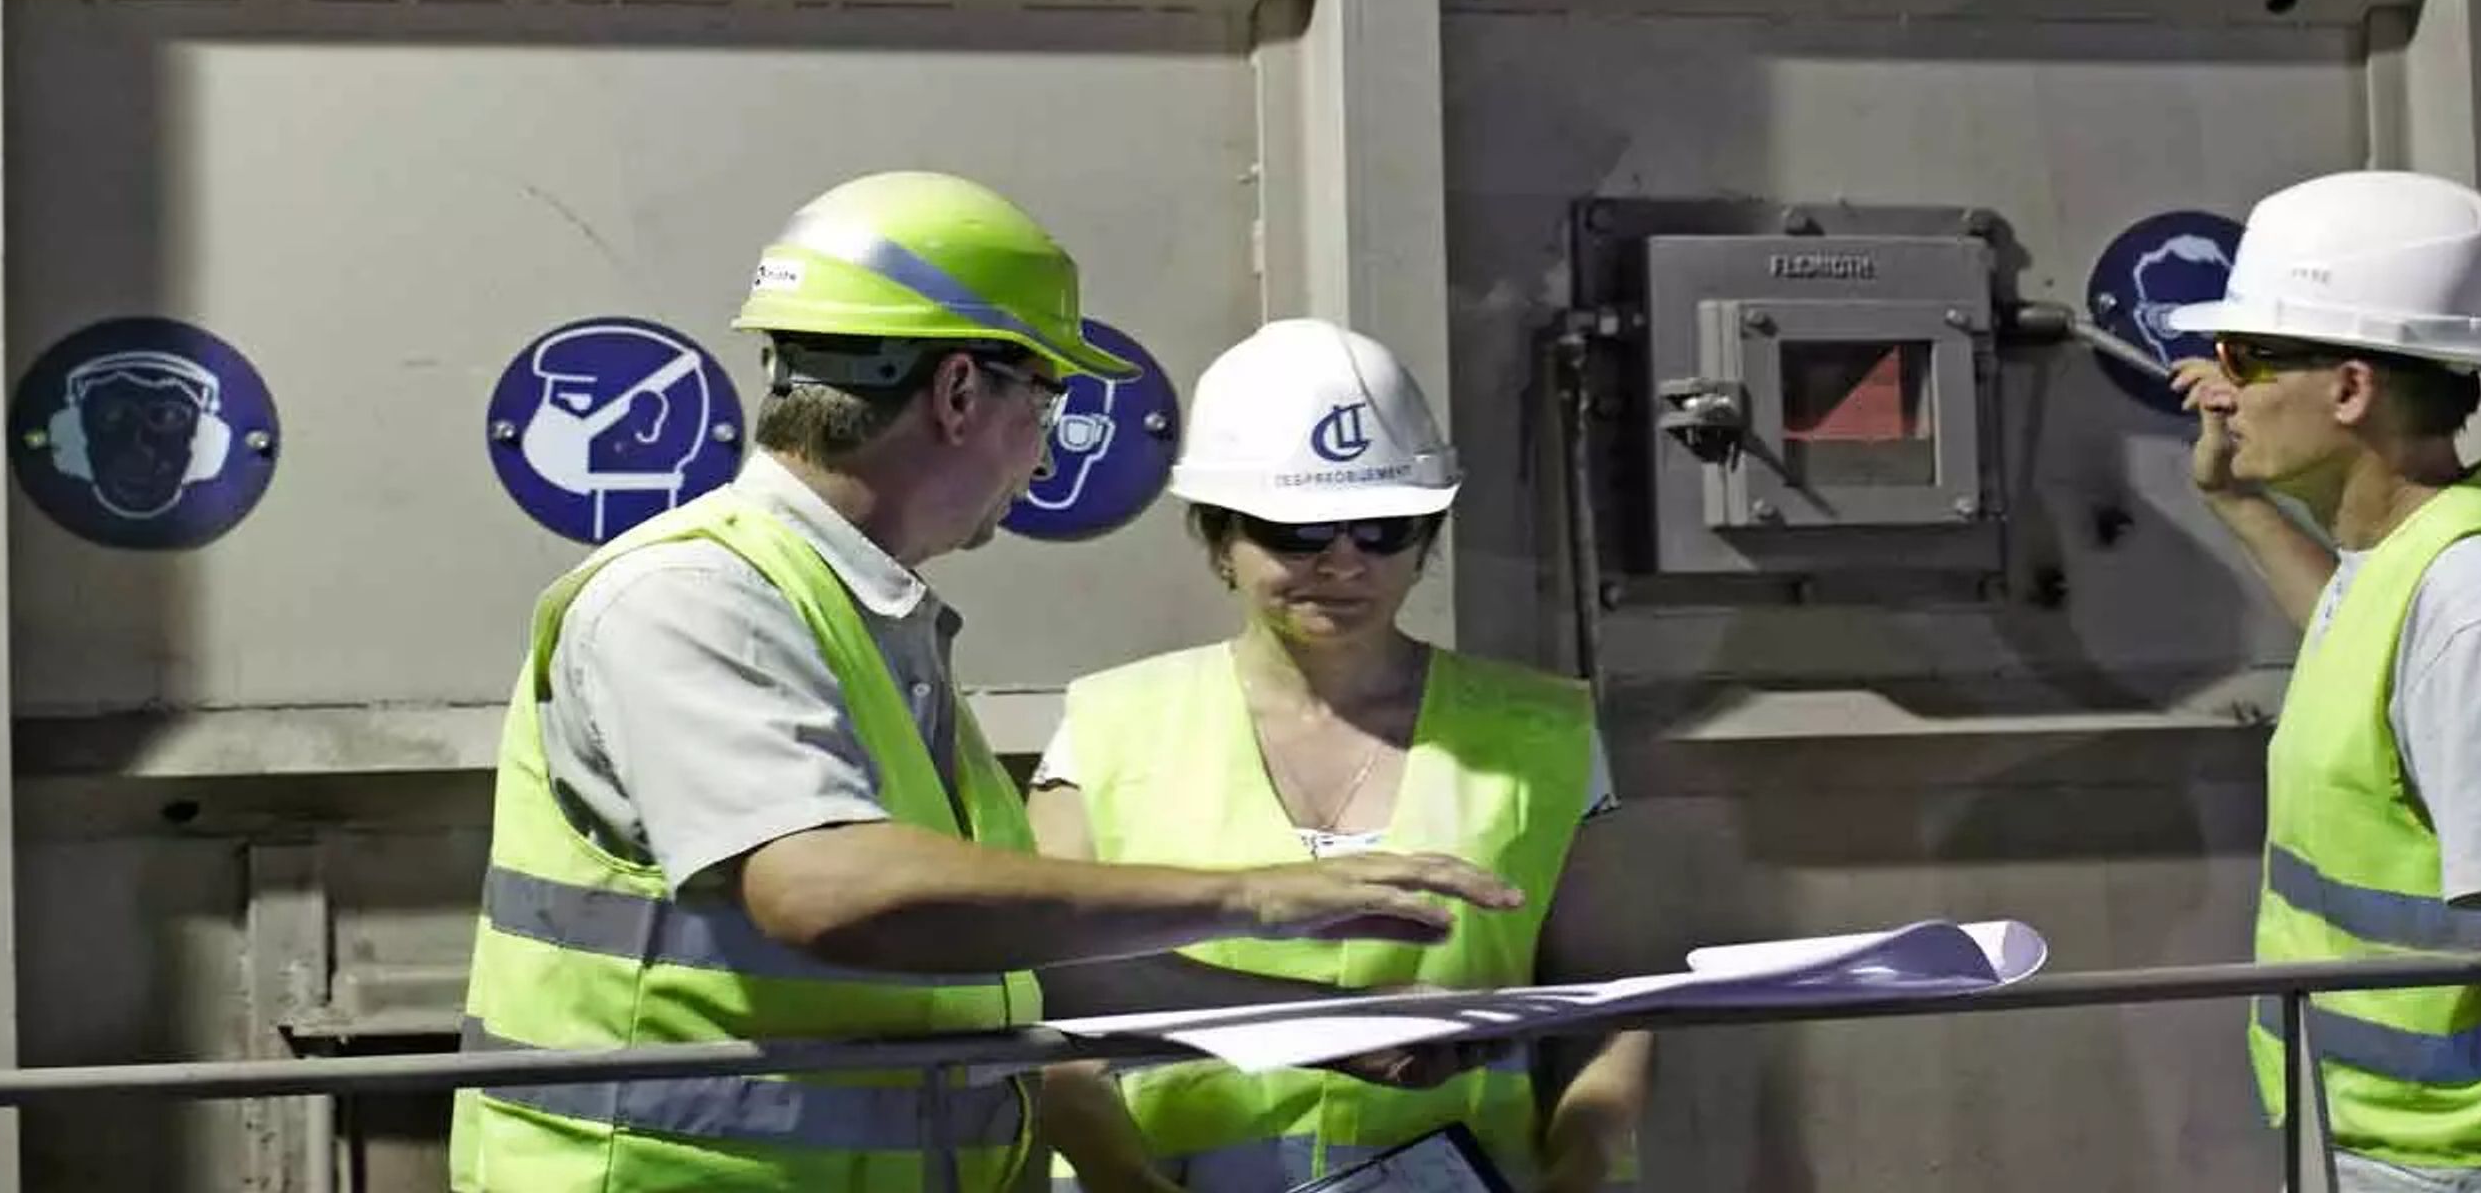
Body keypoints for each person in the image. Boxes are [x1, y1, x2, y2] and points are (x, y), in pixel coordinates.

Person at [452, 174, 1521, 1193]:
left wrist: (1324, 1030)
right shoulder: (689, 596)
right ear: (960, 390)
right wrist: (1259, 898)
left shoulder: (868, 618)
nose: (1043, 462)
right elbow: (826, 893)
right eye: (1044, 405)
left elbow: (1020, 966)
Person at [1028, 319, 1651, 1193]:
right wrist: (1122, 1178)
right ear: (1219, 538)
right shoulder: (1108, 729)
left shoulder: (1544, 732)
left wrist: (1583, 1164)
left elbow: (1608, 1000)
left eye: (1384, 527)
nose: (1343, 561)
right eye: (1298, 529)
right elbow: (1043, 995)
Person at [2164, 170, 2481, 1193]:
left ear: (2352, 388)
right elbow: (2366, 654)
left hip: (2472, 1166)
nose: (2222, 384)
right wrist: (2233, 503)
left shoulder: (2472, 599)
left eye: (2248, 353)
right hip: (2403, 1149)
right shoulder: (2408, 565)